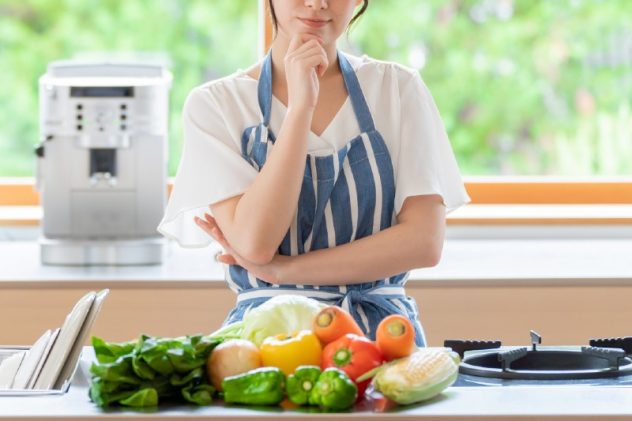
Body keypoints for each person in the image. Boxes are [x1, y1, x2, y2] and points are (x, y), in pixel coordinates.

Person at [157, 0, 470, 347]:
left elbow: (424, 243)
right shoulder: (216, 104)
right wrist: (300, 108)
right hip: (267, 343)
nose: (317, 4)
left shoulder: (397, 88)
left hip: (381, 342)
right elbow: (255, 244)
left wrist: (286, 272)